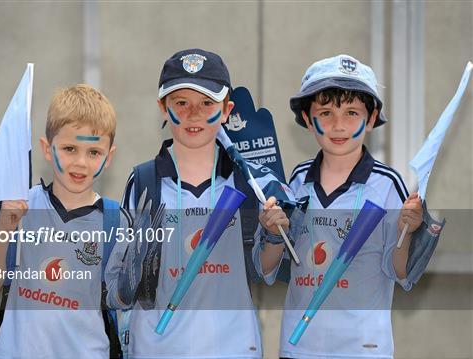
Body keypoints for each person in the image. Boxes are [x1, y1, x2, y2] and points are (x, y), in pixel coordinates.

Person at [106, 48, 289, 358]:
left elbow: (264, 269)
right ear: (163, 107)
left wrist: (273, 235)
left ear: (227, 109)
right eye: (181, 103)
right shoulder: (143, 181)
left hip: (233, 348)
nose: (194, 114)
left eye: (207, 103)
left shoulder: (251, 184)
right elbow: (119, 287)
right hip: (155, 349)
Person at [278, 54, 424, 358]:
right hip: (298, 348)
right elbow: (278, 261)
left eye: (352, 113)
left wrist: (407, 231)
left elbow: (400, 271)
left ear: (371, 119)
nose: (339, 125)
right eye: (326, 113)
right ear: (307, 118)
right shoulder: (297, 180)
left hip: (364, 348)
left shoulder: (388, 184)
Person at [0, 84, 129, 358]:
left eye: (93, 152)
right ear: (48, 149)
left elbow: (123, 303)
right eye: (70, 148)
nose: (81, 162)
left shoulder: (117, 222)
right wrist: (2, 229)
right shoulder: (19, 207)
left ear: (109, 158)